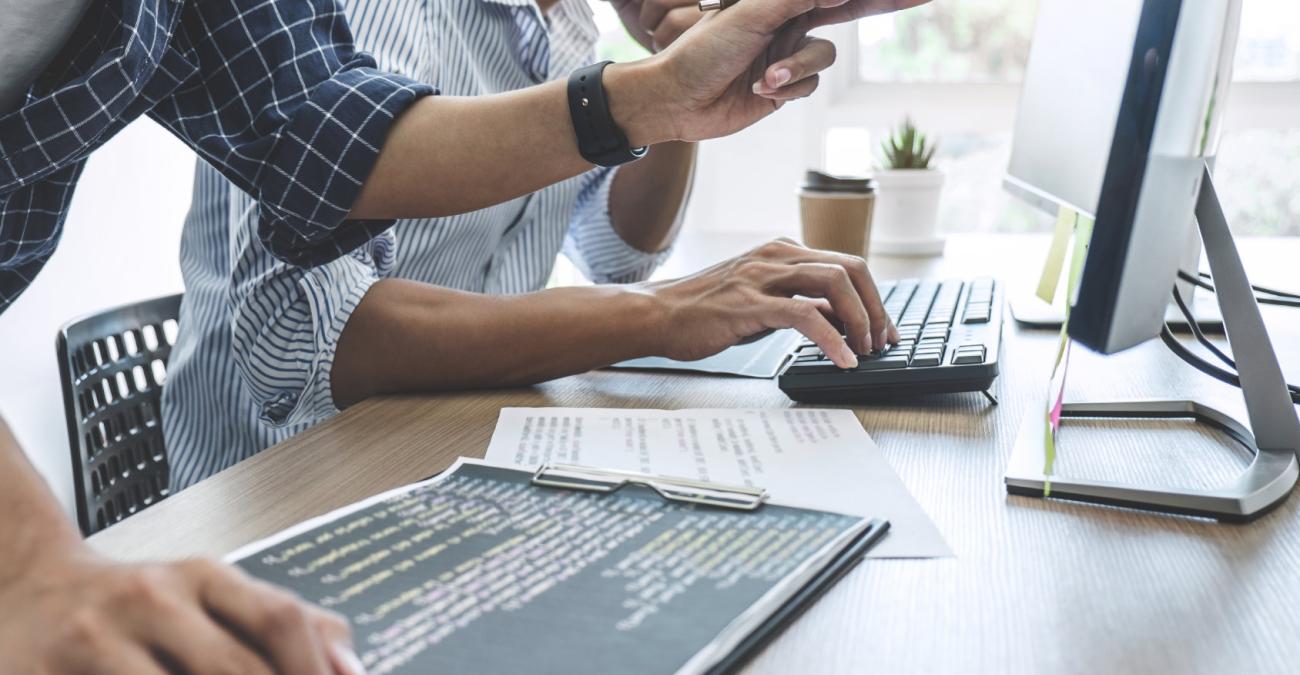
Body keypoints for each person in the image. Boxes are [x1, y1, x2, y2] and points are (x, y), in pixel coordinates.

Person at [0, 0, 925, 671]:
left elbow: (325, 133)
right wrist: (31, 563)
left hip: (452, 466)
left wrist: (665, 92)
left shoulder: (556, 29)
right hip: (282, 490)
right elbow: (304, 331)